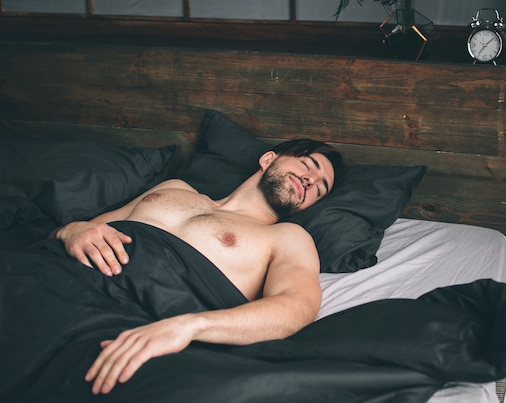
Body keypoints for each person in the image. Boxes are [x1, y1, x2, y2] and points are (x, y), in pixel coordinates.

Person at [52, 139, 345, 395]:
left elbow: (296, 308)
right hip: (64, 280)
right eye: (308, 165)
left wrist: (191, 326)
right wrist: (70, 230)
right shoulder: (173, 188)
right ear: (268, 159)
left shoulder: (288, 238)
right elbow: (85, 231)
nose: (310, 181)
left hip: (140, 324)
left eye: (320, 189)